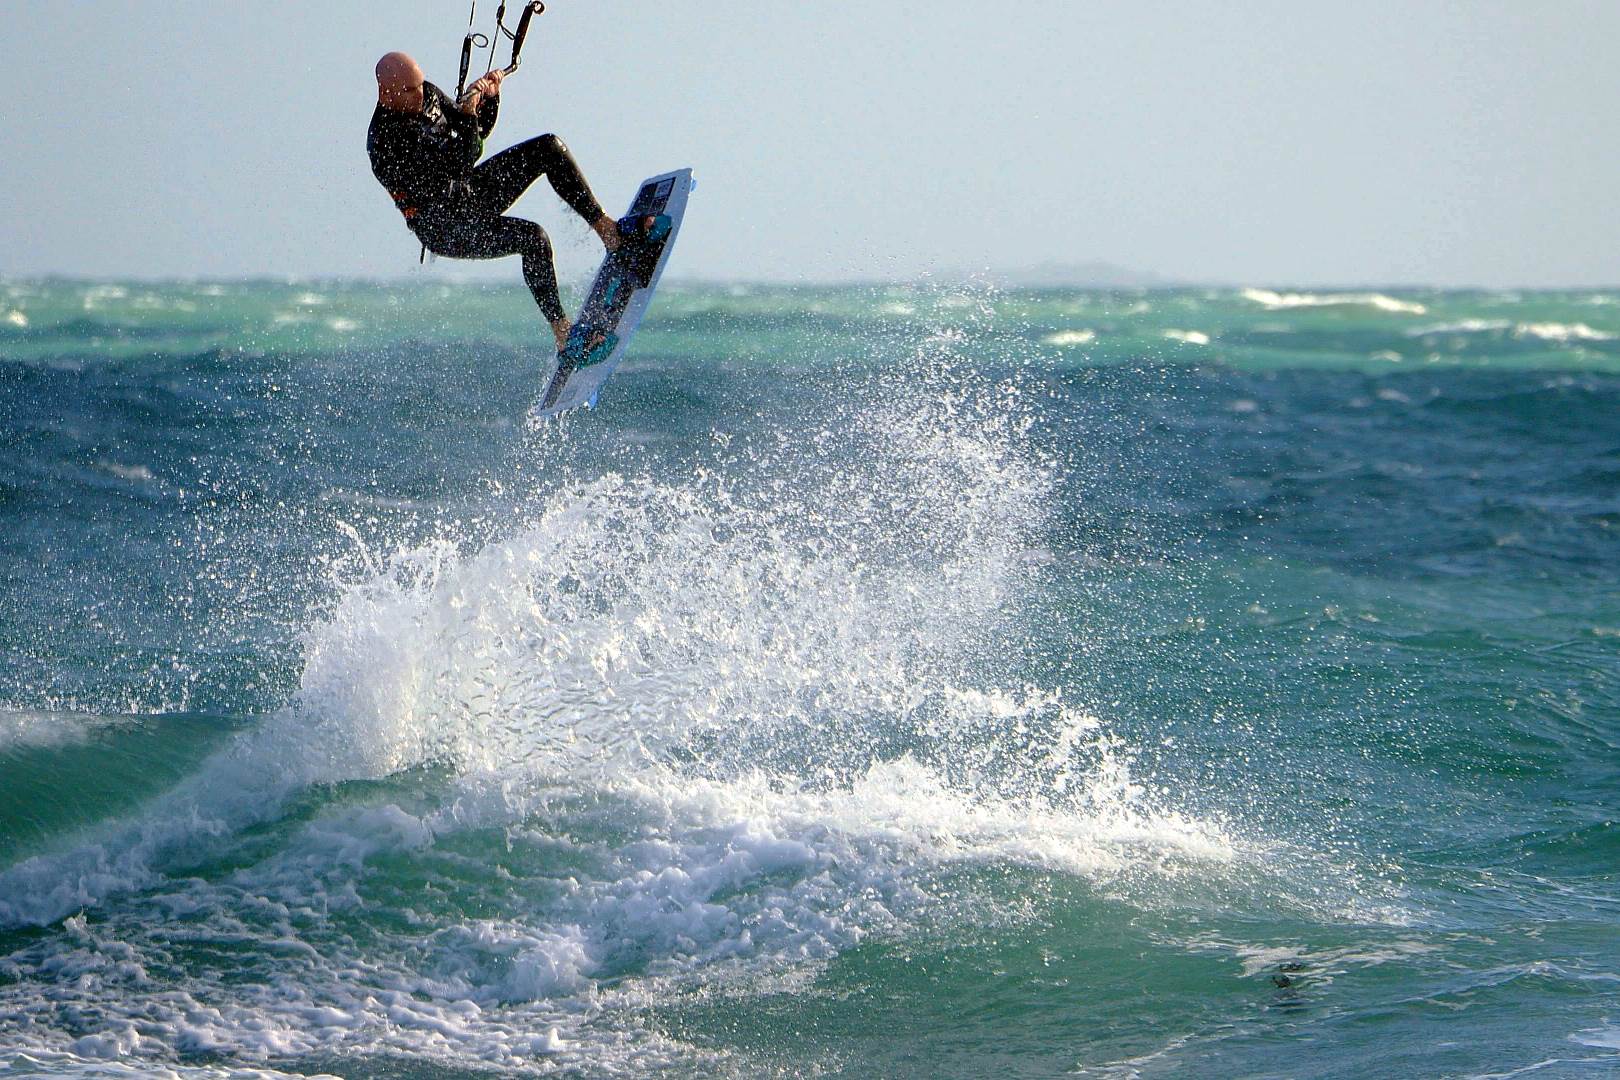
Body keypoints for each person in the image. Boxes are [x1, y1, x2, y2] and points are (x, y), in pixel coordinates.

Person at [367, 51, 620, 352]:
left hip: (468, 195)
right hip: (445, 227)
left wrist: (489, 99)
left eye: (421, 84)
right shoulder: (386, 142)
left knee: (548, 147)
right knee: (533, 238)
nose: (420, 94)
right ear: (386, 92)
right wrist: (468, 114)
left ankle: (607, 230)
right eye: (411, 90)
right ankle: (564, 335)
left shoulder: (427, 93)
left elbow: (477, 135)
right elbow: (461, 163)